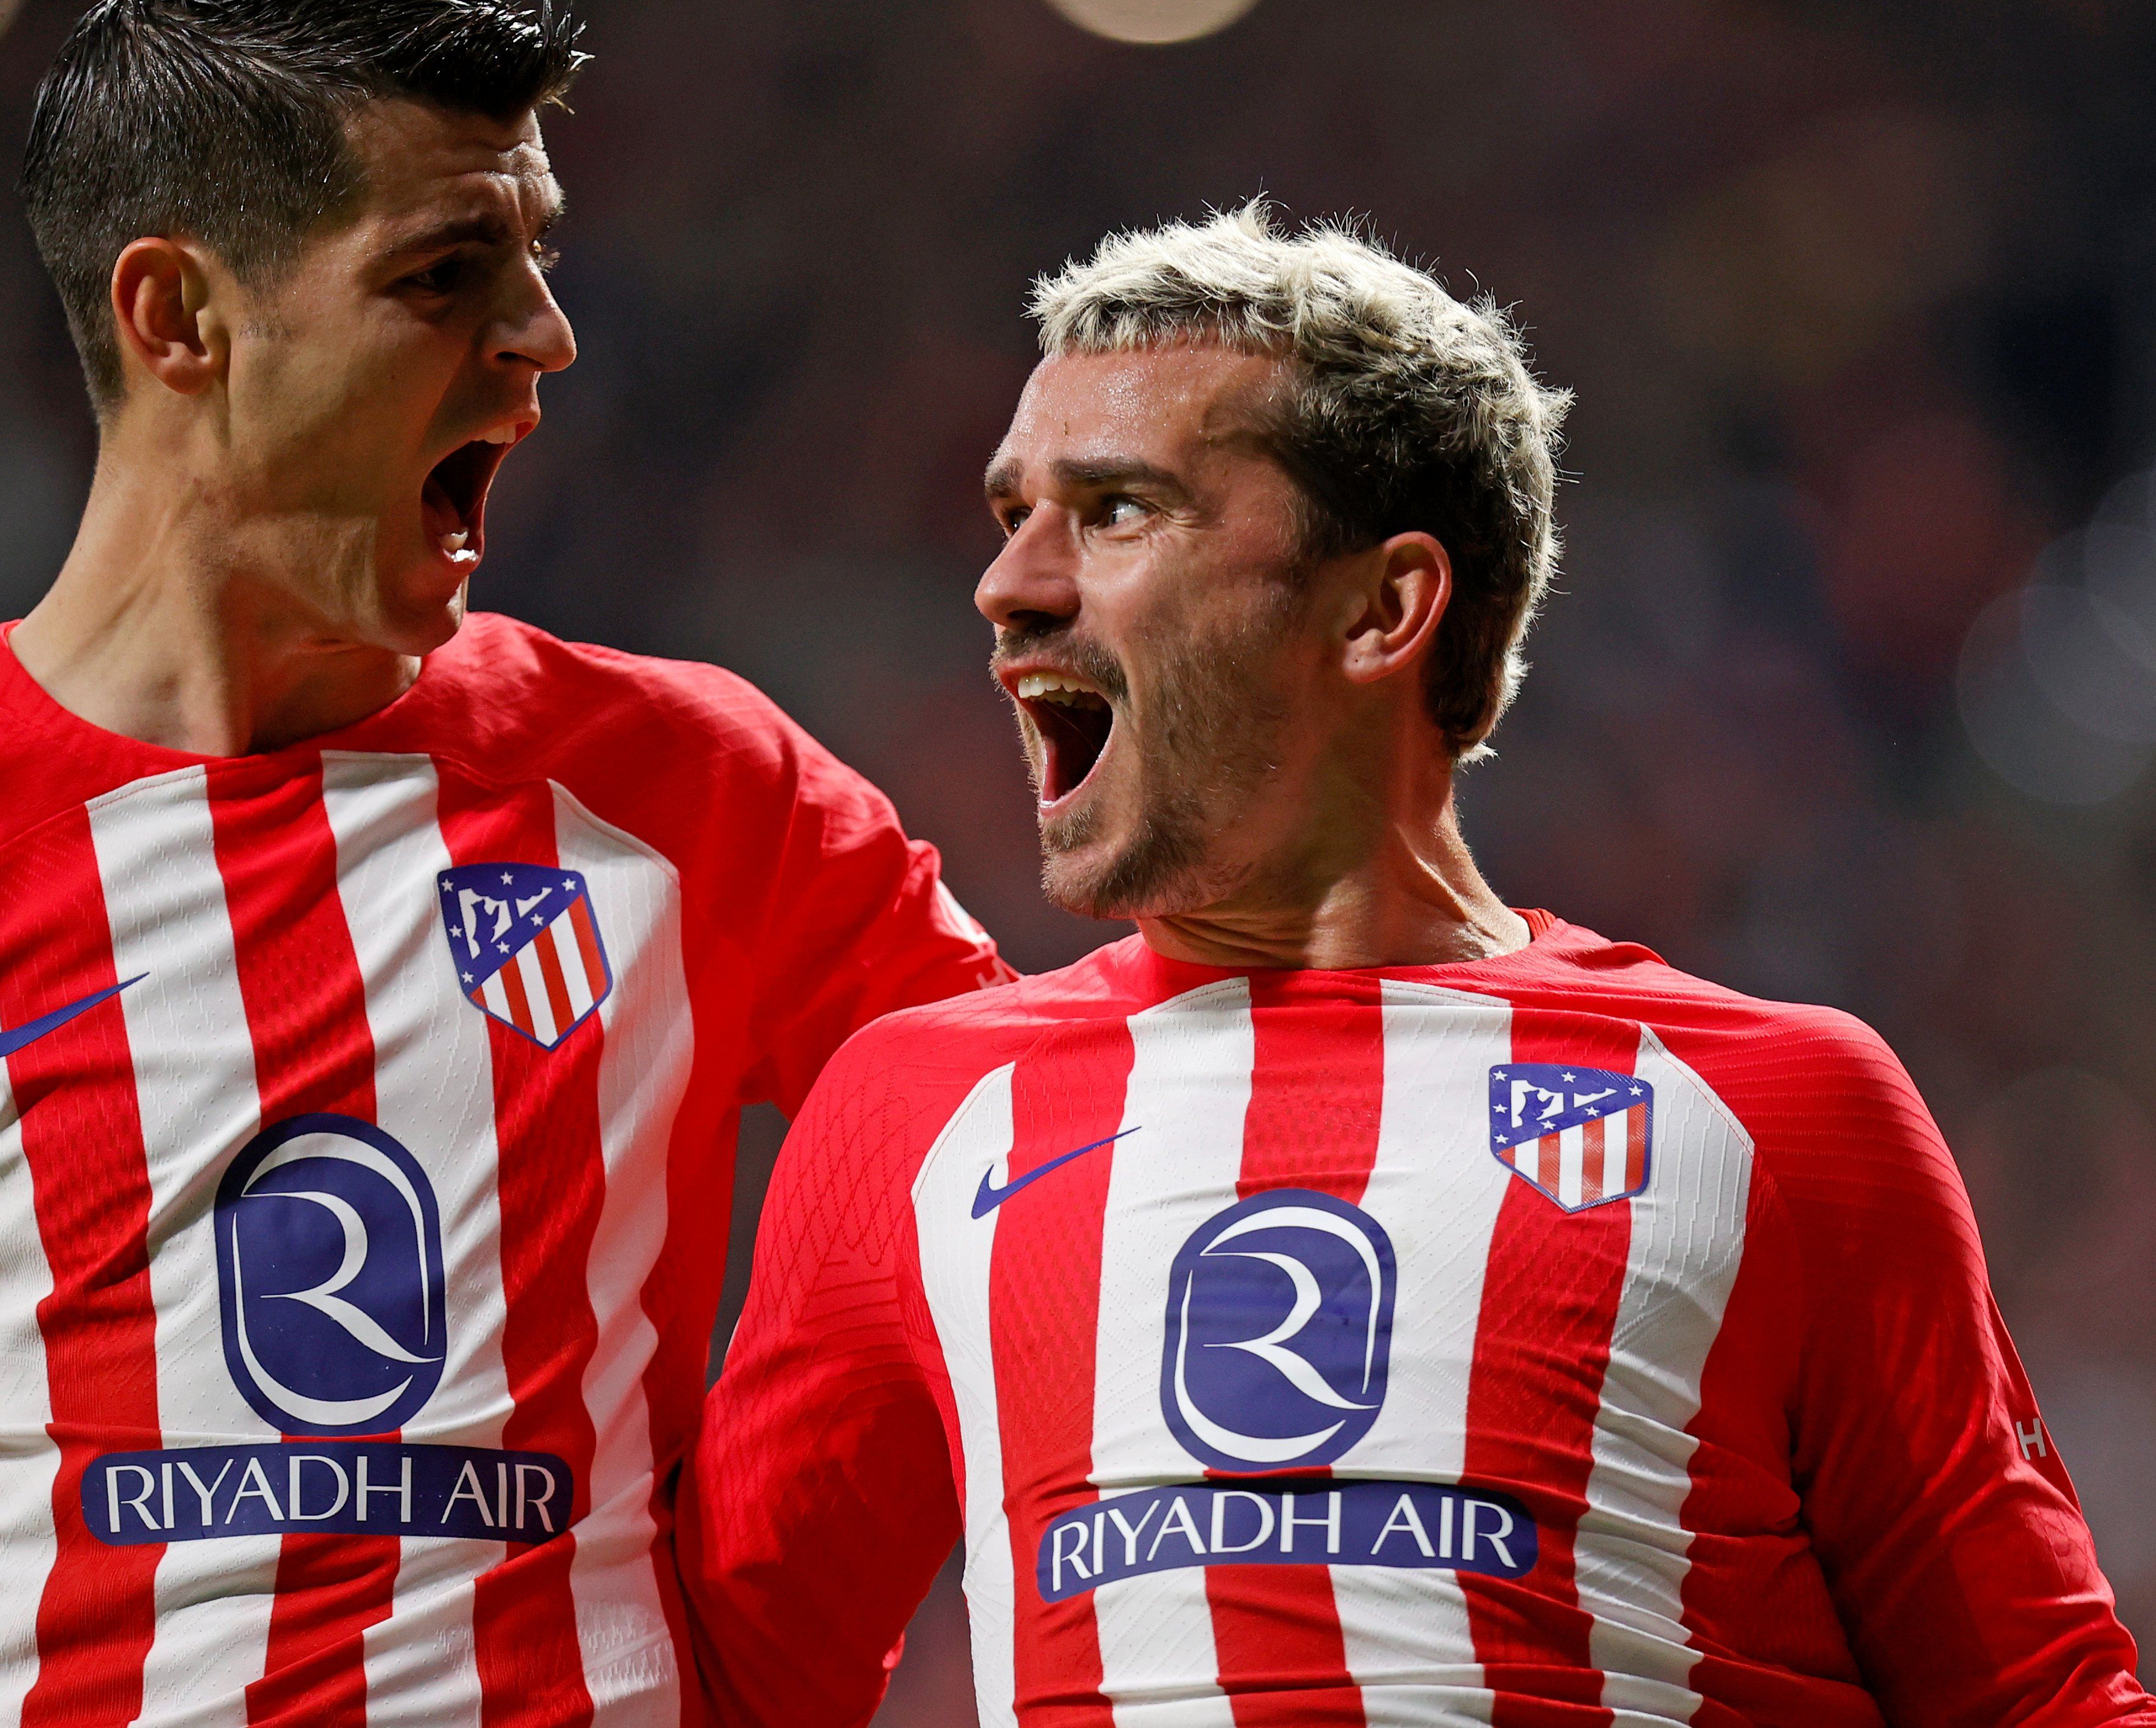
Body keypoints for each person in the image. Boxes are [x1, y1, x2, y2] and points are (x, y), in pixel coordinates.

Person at [676, 205, 2155, 1724]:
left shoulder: (1777, 1108)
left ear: (1382, 606)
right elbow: (716, 1687)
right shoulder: (916, 1111)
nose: (1010, 584)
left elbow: (2042, 1696)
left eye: (1116, 509)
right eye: (1011, 516)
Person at [0, 0, 1005, 1727]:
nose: (548, 336)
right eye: (449, 273)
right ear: (177, 317)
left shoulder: (697, 791)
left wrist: (773, 1623)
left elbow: (1039, 1181)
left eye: (538, 256)